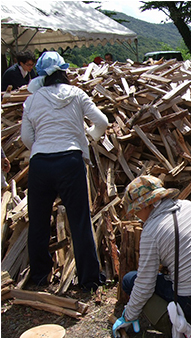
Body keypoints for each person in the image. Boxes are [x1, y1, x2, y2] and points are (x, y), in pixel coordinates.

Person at [21, 51, 108, 291]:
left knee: (38, 221)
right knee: (79, 220)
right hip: (70, 161)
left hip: (40, 164)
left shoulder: (32, 100)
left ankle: (39, 276)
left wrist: (42, 147)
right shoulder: (77, 94)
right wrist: (87, 137)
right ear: (64, 71)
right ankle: (89, 279)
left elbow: (26, 138)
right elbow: (102, 122)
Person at [113, 175, 191, 337]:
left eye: (136, 210)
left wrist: (128, 316)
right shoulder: (189, 205)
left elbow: (144, 284)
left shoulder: (151, 231)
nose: (136, 216)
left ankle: (176, 326)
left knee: (130, 280)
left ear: (146, 205)